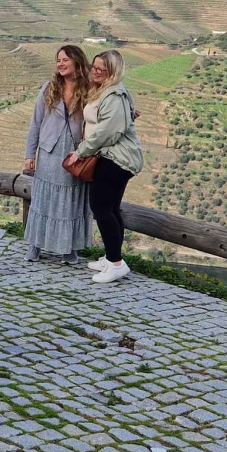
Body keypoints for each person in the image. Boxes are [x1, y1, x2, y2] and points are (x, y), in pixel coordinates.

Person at [70, 49, 145, 283]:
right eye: (95, 67)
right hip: (114, 156)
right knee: (111, 209)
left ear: (112, 72)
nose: (96, 72)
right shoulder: (107, 93)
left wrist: (80, 153)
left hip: (116, 158)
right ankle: (112, 257)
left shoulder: (113, 95)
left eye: (102, 69)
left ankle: (116, 264)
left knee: (101, 208)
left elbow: (106, 133)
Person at [22, 46, 95, 265]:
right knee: (43, 199)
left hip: (75, 152)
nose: (60, 64)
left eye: (65, 60)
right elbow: (35, 123)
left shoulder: (90, 90)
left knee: (70, 200)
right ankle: (35, 245)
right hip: (49, 151)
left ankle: (68, 249)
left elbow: (109, 108)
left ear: (77, 62)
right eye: (58, 60)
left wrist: (129, 113)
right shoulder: (49, 89)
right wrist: (29, 155)